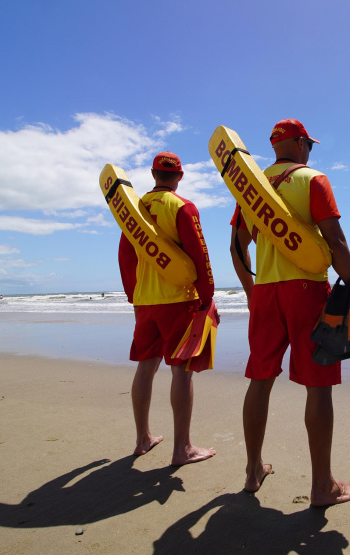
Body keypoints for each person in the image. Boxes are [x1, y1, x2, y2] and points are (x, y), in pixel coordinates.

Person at [230, 119, 350, 507]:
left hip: (268, 291)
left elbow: (238, 248)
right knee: (318, 385)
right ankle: (322, 485)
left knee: (260, 378)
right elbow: (335, 241)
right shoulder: (312, 179)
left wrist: (253, 293)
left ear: (275, 147)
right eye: (310, 145)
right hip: (307, 289)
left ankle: (253, 469)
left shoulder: (251, 188)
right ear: (302, 143)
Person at [118, 151, 217, 465]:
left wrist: (134, 296)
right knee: (182, 371)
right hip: (179, 300)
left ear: (152, 174)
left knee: (146, 366)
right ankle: (181, 449)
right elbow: (198, 254)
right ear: (180, 176)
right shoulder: (182, 206)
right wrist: (207, 296)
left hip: (146, 301)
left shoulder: (135, 211)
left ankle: (142, 439)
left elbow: (125, 256)